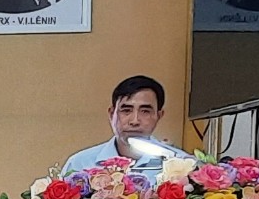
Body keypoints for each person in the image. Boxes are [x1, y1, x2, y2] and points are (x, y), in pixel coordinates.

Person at [59, 75, 193, 176]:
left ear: (159, 115)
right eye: (126, 110)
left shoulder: (182, 165)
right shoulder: (80, 164)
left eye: (145, 111)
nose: (135, 121)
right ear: (111, 114)